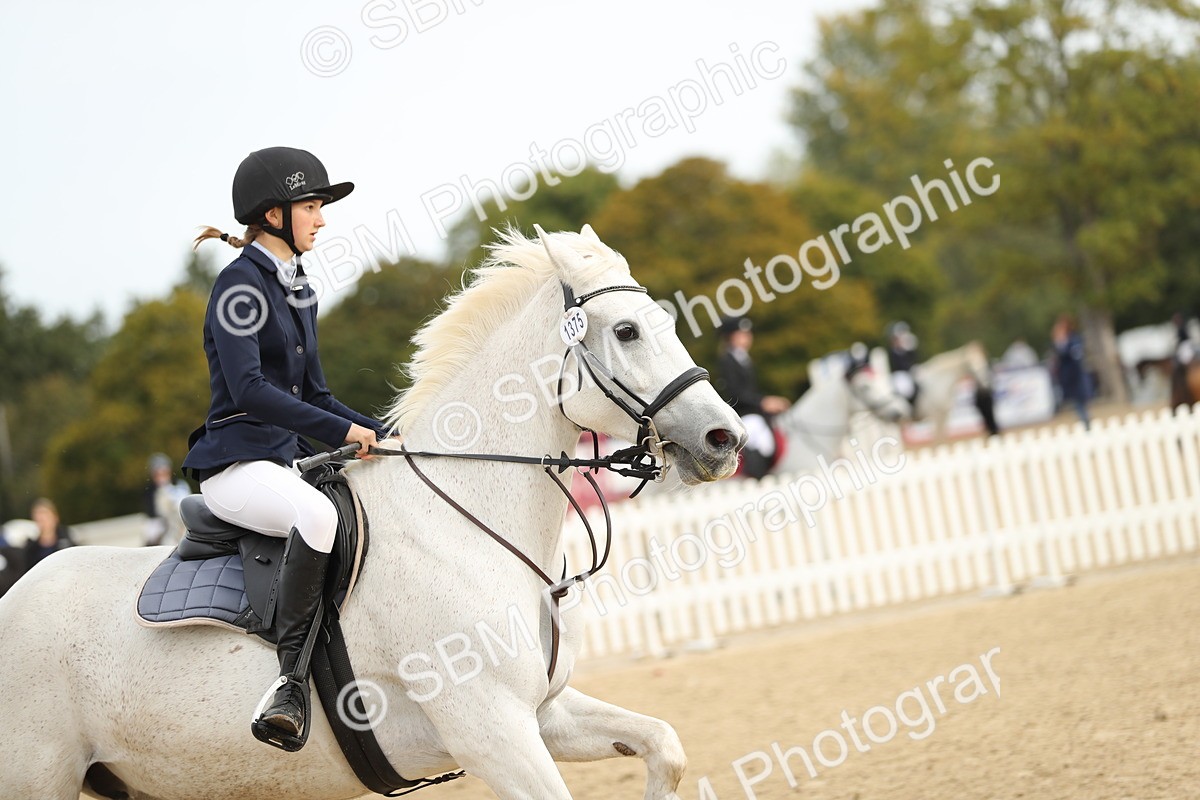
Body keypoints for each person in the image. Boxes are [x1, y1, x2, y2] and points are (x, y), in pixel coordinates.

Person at [182, 146, 391, 746]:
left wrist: (379, 430)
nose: (322, 218)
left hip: (280, 461)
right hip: (235, 464)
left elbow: (317, 397)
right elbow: (249, 388)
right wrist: (341, 434)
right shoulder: (237, 287)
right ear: (274, 215)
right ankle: (290, 684)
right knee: (319, 514)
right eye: (311, 205)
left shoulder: (298, 289)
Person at [715, 316, 790, 478]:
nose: (747, 338)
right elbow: (736, 393)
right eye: (741, 334)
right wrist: (762, 402)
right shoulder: (727, 360)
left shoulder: (743, 358)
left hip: (753, 410)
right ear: (731, 337)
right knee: (761, 438)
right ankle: (755, 475)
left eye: (747, 334)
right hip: (741, 412)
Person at [1051, 313, 1091, 430]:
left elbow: (1075, 357)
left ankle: (1086, 424)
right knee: (1077, 403)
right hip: (1068, 377)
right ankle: (1085, 423)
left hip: (1076, 376)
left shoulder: (1073, 340)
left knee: (1081, 402)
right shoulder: (1059, 343)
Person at [143, 453, 191, 547]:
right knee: (152, 532)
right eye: (158, 474)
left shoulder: (180, 485)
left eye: (164, 473)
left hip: (180, 519)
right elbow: (153, 512)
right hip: (161, 520)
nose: (161, 477)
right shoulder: (150, 491)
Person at [24, 498, 73, 572]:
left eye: (45, 514)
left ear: (55, 517)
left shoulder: (68, 543)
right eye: (38, 515)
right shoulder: (31, 551)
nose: (42, 519)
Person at [885, 321, 920, 409]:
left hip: (906, 374)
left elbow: (912, 359)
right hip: (898, 376)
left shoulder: (904, 351)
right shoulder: (892, 352)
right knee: (904, 389)